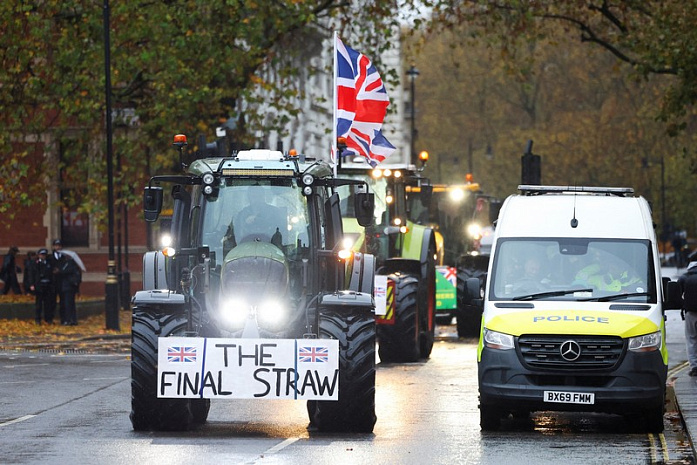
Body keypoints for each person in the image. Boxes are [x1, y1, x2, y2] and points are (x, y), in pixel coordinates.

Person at [26, 248, 56, 324]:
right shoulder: (35, 263)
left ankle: (48, 318)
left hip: (47, 285)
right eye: (41, 255)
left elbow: (51, 274)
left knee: (48, 303)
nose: (43, 256)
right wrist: (31, 284)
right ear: (39, 255)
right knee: (38, 303)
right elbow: (31, 275)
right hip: (39, 285)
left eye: (44, 255)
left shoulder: (49, 263)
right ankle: (37, 319)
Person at [679, 261, 697, 376]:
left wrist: (682, 305)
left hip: (690, 313)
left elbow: (676, 295)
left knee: (691, 339)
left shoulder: (684, 278)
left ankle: (694, 367)